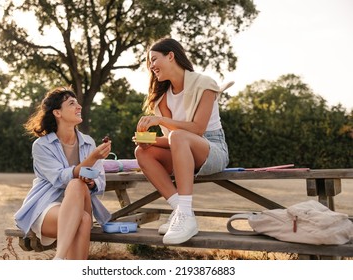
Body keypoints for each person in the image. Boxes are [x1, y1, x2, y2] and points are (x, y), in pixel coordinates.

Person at [134, 38, 230, 245]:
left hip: (212, 149)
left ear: (171, 56)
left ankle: (185, 214)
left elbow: (198, 129)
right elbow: (171, 140)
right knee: (141, 152)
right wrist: (148, 142)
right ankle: (181, 211)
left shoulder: (205, 84)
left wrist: (161, 120)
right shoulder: (161, 99)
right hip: (182, 151)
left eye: (154, 59)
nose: (151, 66)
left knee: (178, 135)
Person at [14, 86, 112, 260]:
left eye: (78, 103)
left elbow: (100, 180)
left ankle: (58, 259)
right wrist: (92, 158)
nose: (79, 107)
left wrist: (92, 183)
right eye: (72, 103)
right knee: (82, 219)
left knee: (77, 185)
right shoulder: (42, 146)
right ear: (57, 113)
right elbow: (59, 179)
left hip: (83, 201)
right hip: (48, 205)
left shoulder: (88, 142)